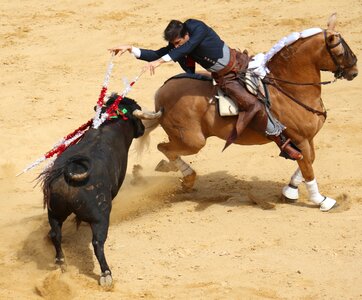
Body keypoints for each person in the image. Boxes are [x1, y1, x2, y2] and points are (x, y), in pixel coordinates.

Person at [109, 19, 303, 160]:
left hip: (241, 63)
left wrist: (160, 62)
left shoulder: (197, 28)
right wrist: (131, 49)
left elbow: (184, 49)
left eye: (178, 42)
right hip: (226, 78)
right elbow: (160, 52)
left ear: (186, 35)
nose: (176, 46)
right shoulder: (180, 44)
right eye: (173, 44)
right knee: (252, 104)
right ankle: (283, 143)